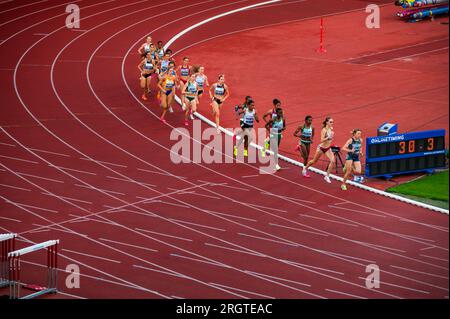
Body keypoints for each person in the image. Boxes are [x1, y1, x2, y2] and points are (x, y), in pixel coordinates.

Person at [303, 116, 335, 183]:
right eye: (331, 122)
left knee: (333, 161)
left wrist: (331, 137)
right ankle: (305, 169)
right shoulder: (324, 130)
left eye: (332, 122)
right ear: (327, 122)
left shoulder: (331, 129)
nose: (332, 123)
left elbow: (330, 139)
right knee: (314, 161)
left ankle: (327, 176)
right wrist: (328, 137)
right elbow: (321, 140)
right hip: (321, 148)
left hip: (327, 148)